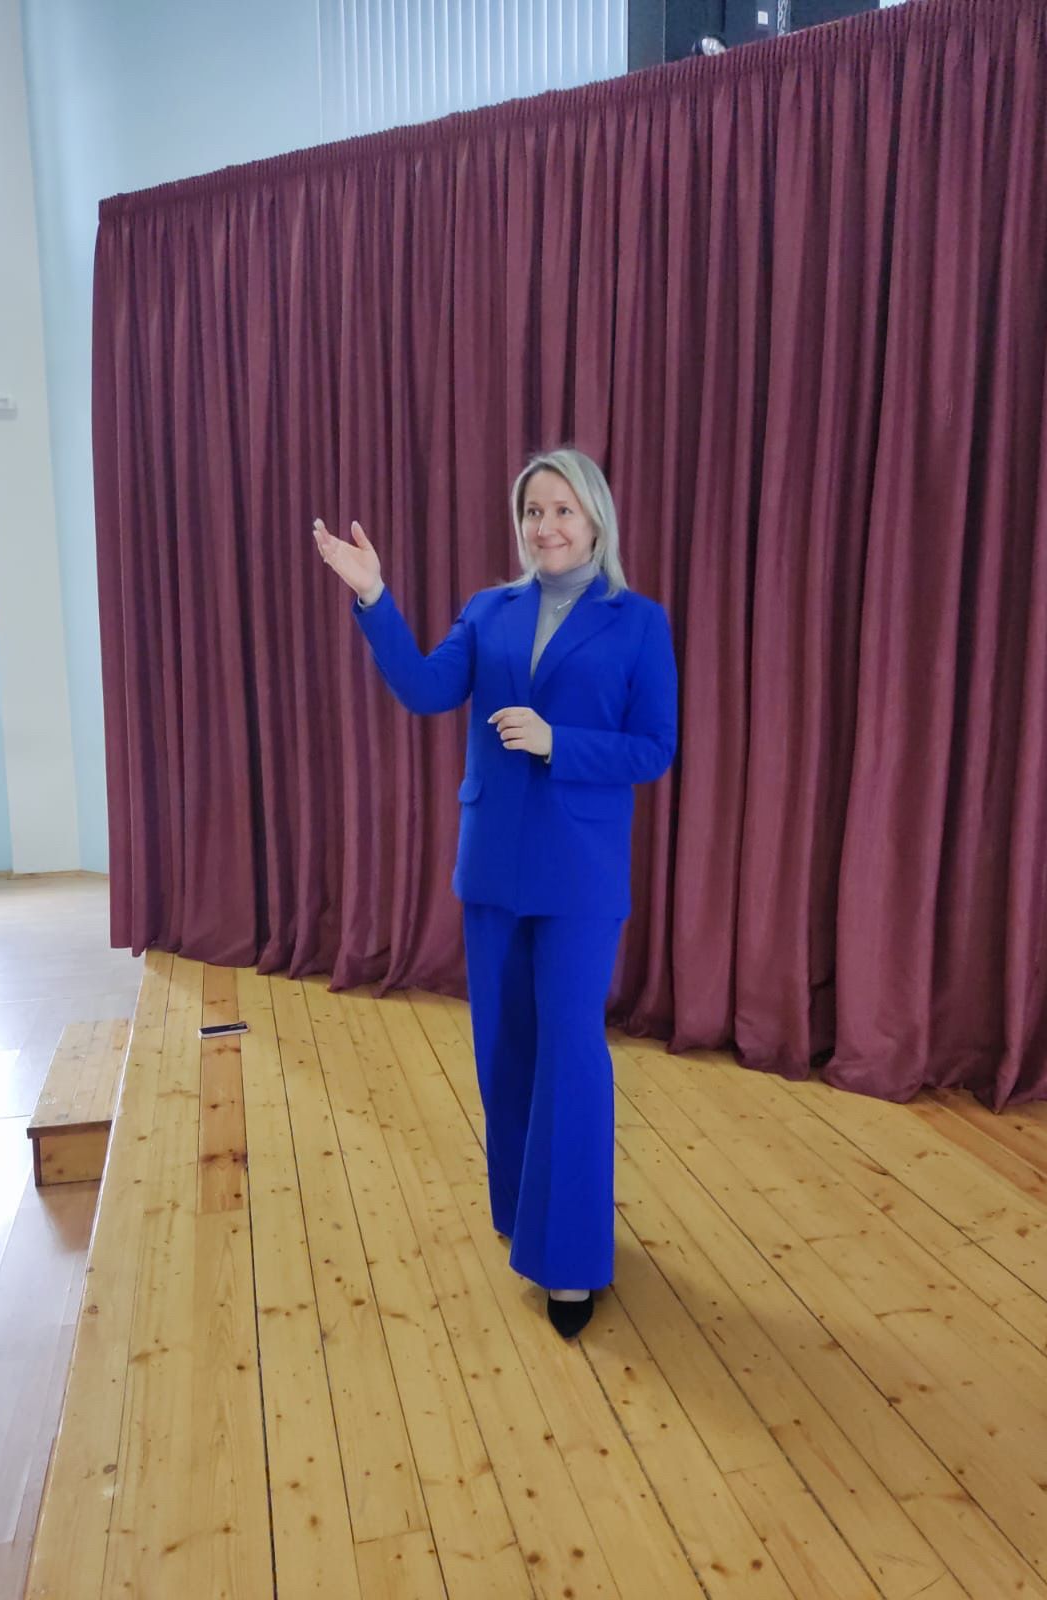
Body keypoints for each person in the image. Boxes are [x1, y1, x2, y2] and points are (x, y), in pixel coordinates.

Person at [312, 448, 678, 1338]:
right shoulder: (489, 610)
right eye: (532, 512)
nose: (546, 527)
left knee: (572, 1054)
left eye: (562, 510)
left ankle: (572, 1262)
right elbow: (425, 689)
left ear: (595, 519)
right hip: (494, 868)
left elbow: (653, 748)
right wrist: (374, 598)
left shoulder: (638, 622)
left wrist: (559, 742)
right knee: (503, 1050)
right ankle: (523, 1213)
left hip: (580, 874)